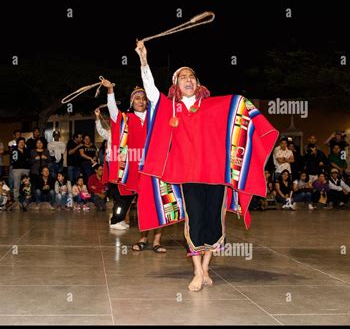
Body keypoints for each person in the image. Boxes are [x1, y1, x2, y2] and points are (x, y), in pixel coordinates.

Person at [135, 40, 278, 291]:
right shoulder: (171, 108)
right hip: (189, 176)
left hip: (216, 176)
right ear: (175, 86)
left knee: (215, 222)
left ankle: (206, 268)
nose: (188, 80)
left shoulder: (214, 107)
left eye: (192, 76)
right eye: (182, 77)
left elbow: (238, 106)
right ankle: (198, 271)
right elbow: (150, 90)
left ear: (198, 83)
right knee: (195, 221)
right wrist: (144, 60)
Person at [100, 79, 169, 253]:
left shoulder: (154, 117)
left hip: (154, 165)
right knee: (144, 203)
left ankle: (157, 241)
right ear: (132, 102)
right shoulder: (126, 118)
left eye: (143, 98)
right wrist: (110, 90)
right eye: (137, 98)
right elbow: (112, 110)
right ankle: (144, 238)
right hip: (134, 167)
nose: (141, 101)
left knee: (158, 202)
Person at [10, 137, 30, 201]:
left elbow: (28, 159)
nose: (22, 143)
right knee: (17, 185)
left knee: (26, 184)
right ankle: (16, 200)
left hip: (26, 169)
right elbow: (15, 160)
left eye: (23, 142)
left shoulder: (26, 150)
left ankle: (26, 199)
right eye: (20, 142)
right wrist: (24, 161)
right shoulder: (14, 150)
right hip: (17, 169)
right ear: (17, 143)